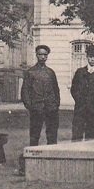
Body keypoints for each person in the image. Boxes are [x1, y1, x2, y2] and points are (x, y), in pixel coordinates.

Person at [18, 44, 60, 173]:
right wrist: (30, 106)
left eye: (45, 55)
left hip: (51, 108)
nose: (43, 57)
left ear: (47, 56)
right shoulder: (30, 72)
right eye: (40, 54)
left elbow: (56, 90)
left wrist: (55, 104)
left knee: (52, 135)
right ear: (36, 55)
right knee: (34, 135)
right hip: (37, 109)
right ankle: (32, 163)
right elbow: (25, 92)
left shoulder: (51, 72)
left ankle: (52, 161)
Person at [70, 44, 94, 141]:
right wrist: (79, 100)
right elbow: (74, 89)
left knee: (91, 134)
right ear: (87, 57)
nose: (92, 59)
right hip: (80, 108)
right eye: (90, 56)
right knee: (77, 133)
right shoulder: (80, 72)